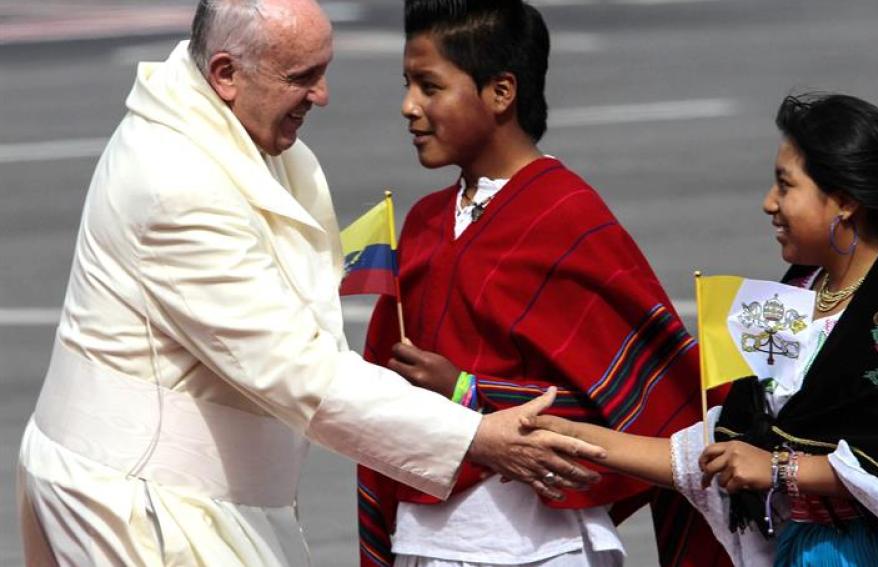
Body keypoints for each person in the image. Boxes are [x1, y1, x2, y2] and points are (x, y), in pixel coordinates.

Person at [15, 1, 606, 565]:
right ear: (225, 72)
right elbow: (294, 368)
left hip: (197, 496)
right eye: (304, 76)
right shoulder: (176, 185)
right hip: (143, 503)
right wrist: (474, 435)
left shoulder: (229, 123)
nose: (322, 96)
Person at [526, 93, 878, 566]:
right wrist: (575, 438)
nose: (768, 203)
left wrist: (778, 467)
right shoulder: (796, 299)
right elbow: (719, 452)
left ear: (844, 202)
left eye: (785, 185)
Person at [356, 2, 729, 566]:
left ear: (501, 92)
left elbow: (648, 406)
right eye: (407, 84)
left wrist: (466, 390)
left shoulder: (567, 215)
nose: (409, 106)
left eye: (430, 86)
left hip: (537, 546)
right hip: (419, 539)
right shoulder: (422, 222)